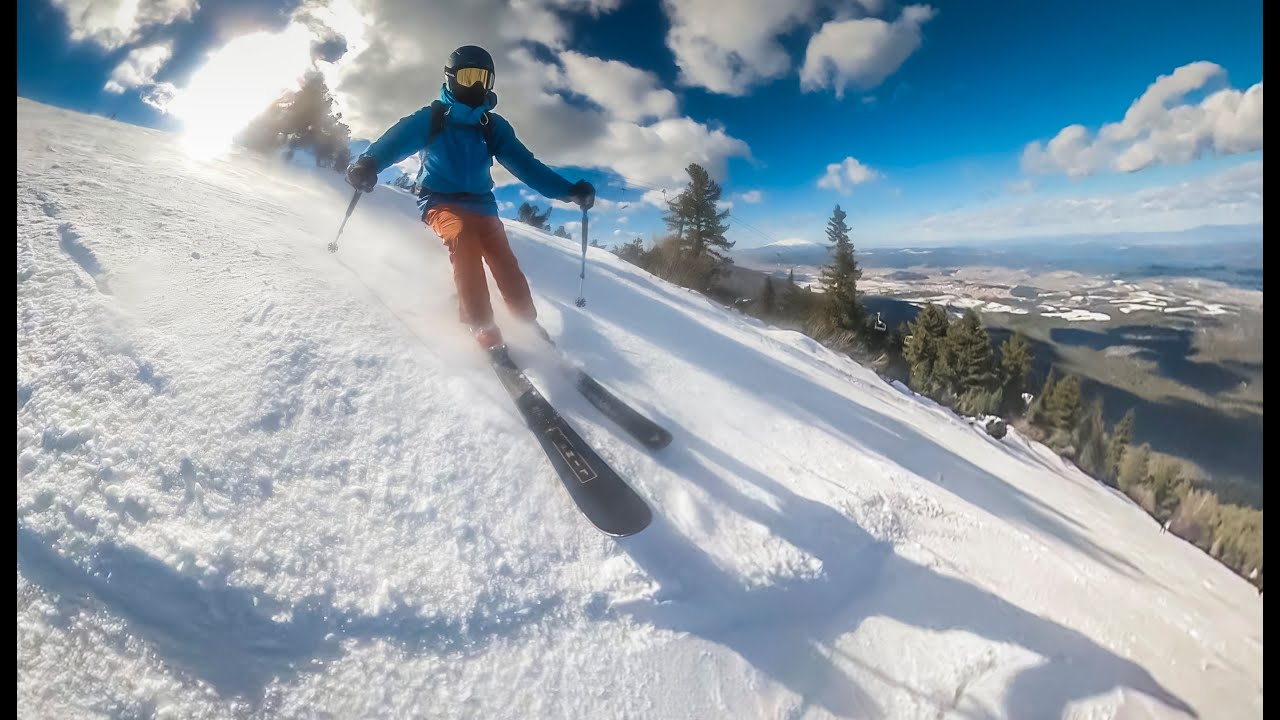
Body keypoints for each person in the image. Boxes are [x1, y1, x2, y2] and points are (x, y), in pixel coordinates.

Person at [345, 45, 595, 351]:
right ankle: (481, 322)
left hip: (482, 203)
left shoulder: (492, 126)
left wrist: (568, 190)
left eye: (483, 79)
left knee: (503, 260)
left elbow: (526, 166)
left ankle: (526, 321)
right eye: (468, 77)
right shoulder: (432, 118)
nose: (476, 86)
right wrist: (369, 163)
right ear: (451, 79)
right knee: (463, 238)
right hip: (439, 200)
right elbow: (394, 142)